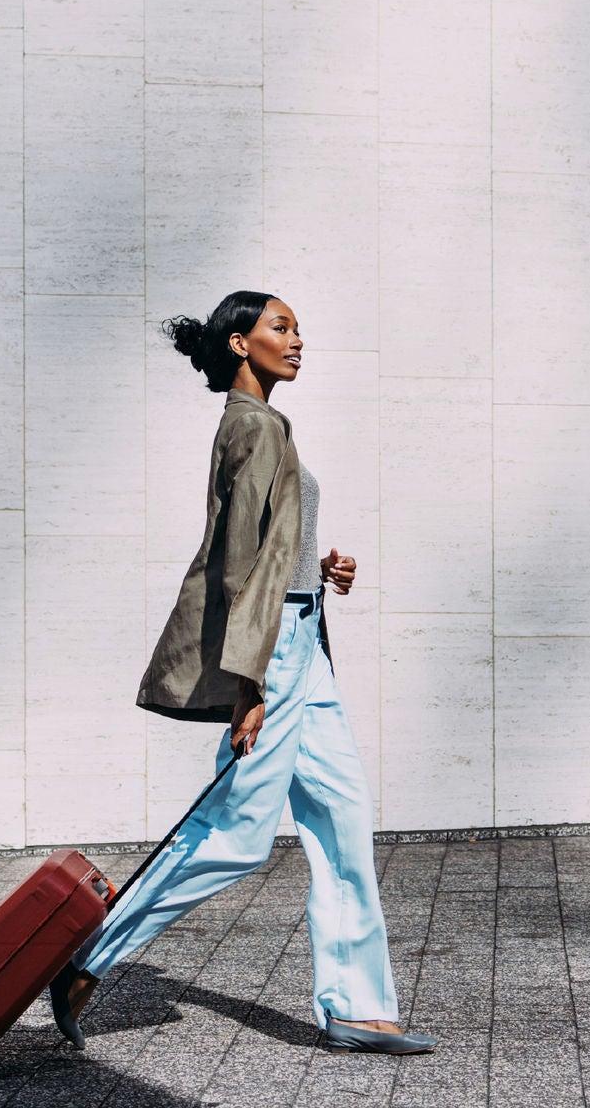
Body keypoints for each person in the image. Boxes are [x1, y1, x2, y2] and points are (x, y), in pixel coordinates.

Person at [47, 291, 437, 1056]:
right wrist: (249, 686)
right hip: (275, 654)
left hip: (299, 642)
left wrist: (321, 568)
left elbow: (270, 548)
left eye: (298, 330)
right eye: (280, 328)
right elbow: (239, 569)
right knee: (234, 832)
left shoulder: (262, 426)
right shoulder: (254, 428)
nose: (298, 341)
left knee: (343, 818)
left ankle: (358, 1007)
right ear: (238, 343)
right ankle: (89, 958)